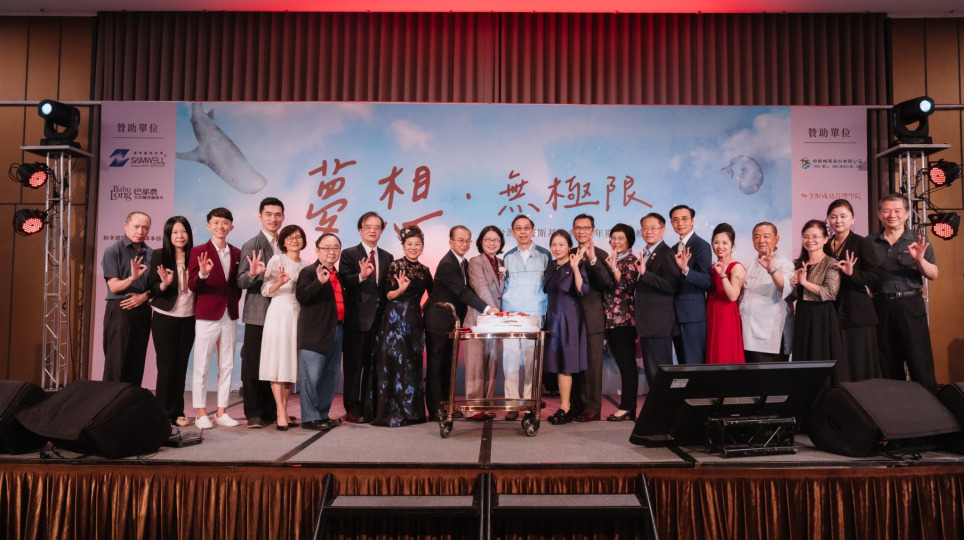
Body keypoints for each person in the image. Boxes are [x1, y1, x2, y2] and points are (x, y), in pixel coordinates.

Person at [424, 226, 497, 422]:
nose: (464, 244)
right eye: (460, 240)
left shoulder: (463, 262)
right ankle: (435, 408)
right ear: (451, 242)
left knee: (449, 364)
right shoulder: (448, 264)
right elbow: (462, 293)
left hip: (453, 322)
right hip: (438, 321)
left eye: (467, 240)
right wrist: (487, 308)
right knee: (436, 365)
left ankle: (447, 404)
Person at [870, 194, 939, 392]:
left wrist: (920, 260)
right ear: (879, 214)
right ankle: (896, 406)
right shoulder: (869, 241)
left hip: (910, 304)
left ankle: (930, 406)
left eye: (897, 211)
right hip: (881, 305)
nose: (892, 215)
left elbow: (933, 274)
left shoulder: (918, 239)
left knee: (919, 359)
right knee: (887, 361)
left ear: (907, 213)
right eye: (886, 211)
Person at [369, 226, 433, 427]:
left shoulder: (425, 271)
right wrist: (400, 290)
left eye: (417, 244)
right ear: (403, 246)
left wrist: (421, 307)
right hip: (394, 320)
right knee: (394, 363)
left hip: (414, 321)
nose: (413, 248)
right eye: (409, 244)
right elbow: (388, 295)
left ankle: (413, 412)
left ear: (422, 247)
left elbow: (434, 294)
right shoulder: (395, 266)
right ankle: (393, 411)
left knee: (412, 365)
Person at [188, 207, 243, 429]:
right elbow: (192, 285)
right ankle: (201, 412)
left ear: (231, 227)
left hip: (230, 313)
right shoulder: (199, 251)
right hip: (207, 314)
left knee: (227, 364)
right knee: (202, 363)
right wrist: (203, 274)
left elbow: (237, 286)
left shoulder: (237, 253)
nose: (220, 226)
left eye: (225, 223)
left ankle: (222, 411)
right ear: (208, 226)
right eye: (216, 222)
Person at [338, 212, 395, 424]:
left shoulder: (388, 257)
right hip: (357, 320)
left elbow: (387, 288)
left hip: (380, 321)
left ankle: (369, 404)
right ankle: (352, 406)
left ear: (381, 230)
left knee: (374, 366)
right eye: (368, 227)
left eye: (376, 227)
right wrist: (361, 276)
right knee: (354, 367)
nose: (372, 230)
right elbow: (345, 280)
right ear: (360, 230)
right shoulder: (349, 254)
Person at [236, 197, 284, 429]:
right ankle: (253, 412)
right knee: (253, 363)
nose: (273, 219)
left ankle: (270, 409)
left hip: (281, 313)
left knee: (274, 362)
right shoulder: (252, 244)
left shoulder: (286, 243)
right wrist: (254, 274)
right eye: (268, 214)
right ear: (260, 216)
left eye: (277, 215)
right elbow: (241, 281)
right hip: (258, 313)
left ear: (283, 217)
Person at [500, 215, 552, 421]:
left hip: (534, 315)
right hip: (511, 316)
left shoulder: (545, 255)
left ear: (533, 231)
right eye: (518, 228)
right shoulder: (507, 257)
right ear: (512, 232)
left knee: (532, 363)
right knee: (510, 362)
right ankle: (512, 405)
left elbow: (548, 286)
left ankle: (531, 404)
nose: (522, 232)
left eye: (526, 228)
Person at [259, 225, 309, 431]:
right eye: (290, 237)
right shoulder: (276, 260)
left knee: (289, 363)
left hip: (298, 314)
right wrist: (279, 283)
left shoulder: (306, 265)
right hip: (279, 312)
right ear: (283, 242)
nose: (295, 241)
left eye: (298, 237)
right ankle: (280, 411)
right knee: (277, 362)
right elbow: (265, 290)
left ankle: (285, 410)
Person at [825, 199, 881, 382]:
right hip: (832, 309)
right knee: (839, 362)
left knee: (859, 362)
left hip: (857, 311)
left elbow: (874, 276)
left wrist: (852, 273)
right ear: (828, 220)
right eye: (833, 217)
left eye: (843, 216)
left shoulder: (861, 242)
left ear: (853, 218)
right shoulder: (825, 245)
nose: (838, 221)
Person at [146, 216, 195, 426]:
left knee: (181, 366)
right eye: (175, 232)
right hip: (165, 317)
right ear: (168, 235)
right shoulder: (160, 255)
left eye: (183, 231)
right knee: (166, 366)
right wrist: (164, 284)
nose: (179, 236)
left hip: (189, 317)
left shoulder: (196, 255)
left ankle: (177, 411)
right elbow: (152, 286)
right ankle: (162, 413)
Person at [295, 233, 346, 432]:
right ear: (317, 250)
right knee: (312, 376)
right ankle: (310, 418)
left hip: (337, 330)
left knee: (331, 377)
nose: (331, 252)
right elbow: (302, 297)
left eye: (336, 248)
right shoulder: (309, 271)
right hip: (315, 332)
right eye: (326, 248)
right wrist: (319, 282)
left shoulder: (338, 275)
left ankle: (322, 414)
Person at [569, 214, 615, 422]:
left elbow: (606, 282)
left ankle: (593, 409)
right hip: (571, 317)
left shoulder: (601, 254)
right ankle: (576, 406)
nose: (581, 231)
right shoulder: (569, 253)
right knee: (575, 364)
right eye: (578, 228)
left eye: (586, 228)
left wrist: (594, 259)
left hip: (593, 318)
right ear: (573, 231)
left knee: (593, 365)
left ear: (593, 231)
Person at [543, 230, 589, 426]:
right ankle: (566, 406)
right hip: (552, 319)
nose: (557, 248)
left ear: (569, 246)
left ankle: (566, 408)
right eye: (554, 244)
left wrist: (576, 268)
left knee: (566, 366)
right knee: (557, 365)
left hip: (569, 320)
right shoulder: (550, 265)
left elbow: (582, 290)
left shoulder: (577, 264)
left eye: (561, 244)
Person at [101, 211, 153, 386]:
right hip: (120, 309)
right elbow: (114, 287)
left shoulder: (151, 253)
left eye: (145, 228)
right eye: (136, 226)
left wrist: (144, 296)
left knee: (137, 363)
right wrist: (132, 278)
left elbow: (154, 286)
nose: (140, 231)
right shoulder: (113, 251)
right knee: (116, 364)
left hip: (143, 310)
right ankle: (110, 401)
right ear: (126, 226)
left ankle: (131, 401)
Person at [633, 213, 682, 388]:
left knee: (659, 371)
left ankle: (663, 404)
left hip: (659, 323)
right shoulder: (646, 253)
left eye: (653, 228)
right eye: (645, 228)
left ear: (663, 230)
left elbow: (672, 285)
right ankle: (657, 403)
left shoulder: (666, 253)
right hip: (648, 323)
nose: (649, 231)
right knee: (651, 370)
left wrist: (645, 274)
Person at [463, 225, 506, 420]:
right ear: (481, 242)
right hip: (479, 319)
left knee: (491, 364)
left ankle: (487, 404)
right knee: (476, 365)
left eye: (496, 240)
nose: (492, 243)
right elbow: (481, 288)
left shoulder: (501, 263)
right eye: (488, 239)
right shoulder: (475, 261)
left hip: (496, 322)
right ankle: (473, 407)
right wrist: (493, 310)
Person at [790, 220, 844, 370]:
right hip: (803, 313)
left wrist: (804, 282)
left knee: (819, 355)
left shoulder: (832, 263)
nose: (810, 240)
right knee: (802, 356)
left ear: (825, 239)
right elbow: (793, 296)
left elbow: (830, 293)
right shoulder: (799, 263)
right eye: (806, 237)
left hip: (822, 315)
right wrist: (794, 285)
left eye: (815, 236)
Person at [739, 222, 794, 362]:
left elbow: (785, 288)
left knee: (768, 374)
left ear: (777, 239)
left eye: (766, 236)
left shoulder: (784, 263)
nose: (761, 240)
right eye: (756, 236)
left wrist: (772, 270)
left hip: (769, 335)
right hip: (745, 332)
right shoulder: (747, 264)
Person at [602, 223, 639, 421]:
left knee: (627, 364)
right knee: (622, 363)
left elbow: (626, 286)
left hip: (624, 320)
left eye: (620, 238)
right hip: (610, 320)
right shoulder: (612, 259)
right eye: (613, 238)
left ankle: (627, 406)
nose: (616, 242)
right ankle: (628, 406)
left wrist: (614, 268)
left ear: (629, 241)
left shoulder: (631, 261)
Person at [669, 204, 712, 365]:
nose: (680, 223)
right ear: (671, 223)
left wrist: (686, 269)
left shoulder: (702, 245)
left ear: (692, 220)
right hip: (674, 315)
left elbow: (706, 281)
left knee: (694, 363)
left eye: (684, 219)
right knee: (682, 364)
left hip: (693, 315)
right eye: (675, 220)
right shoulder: (673, 249)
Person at [705, 223, 746, 364]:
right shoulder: (711, 267)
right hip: (711, 313)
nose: (720, 246)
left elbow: (733, 296)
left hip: (726, 316)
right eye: (716, 242)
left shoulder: (737, 267)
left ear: (732, 245)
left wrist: (723, 275)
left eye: (724, 243)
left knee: (725, 354)